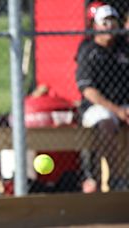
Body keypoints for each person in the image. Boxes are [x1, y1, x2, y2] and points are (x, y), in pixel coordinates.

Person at [75, 5, 129, 191]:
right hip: (97, 108)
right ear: (95, 26)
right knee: (106, 123)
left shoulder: (123, 49)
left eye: (112, 21)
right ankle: (115, 179)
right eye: (104, 22)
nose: (109, 26)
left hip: (123, 106)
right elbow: (88, 90)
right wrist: (118, 111)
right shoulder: (88, 50)